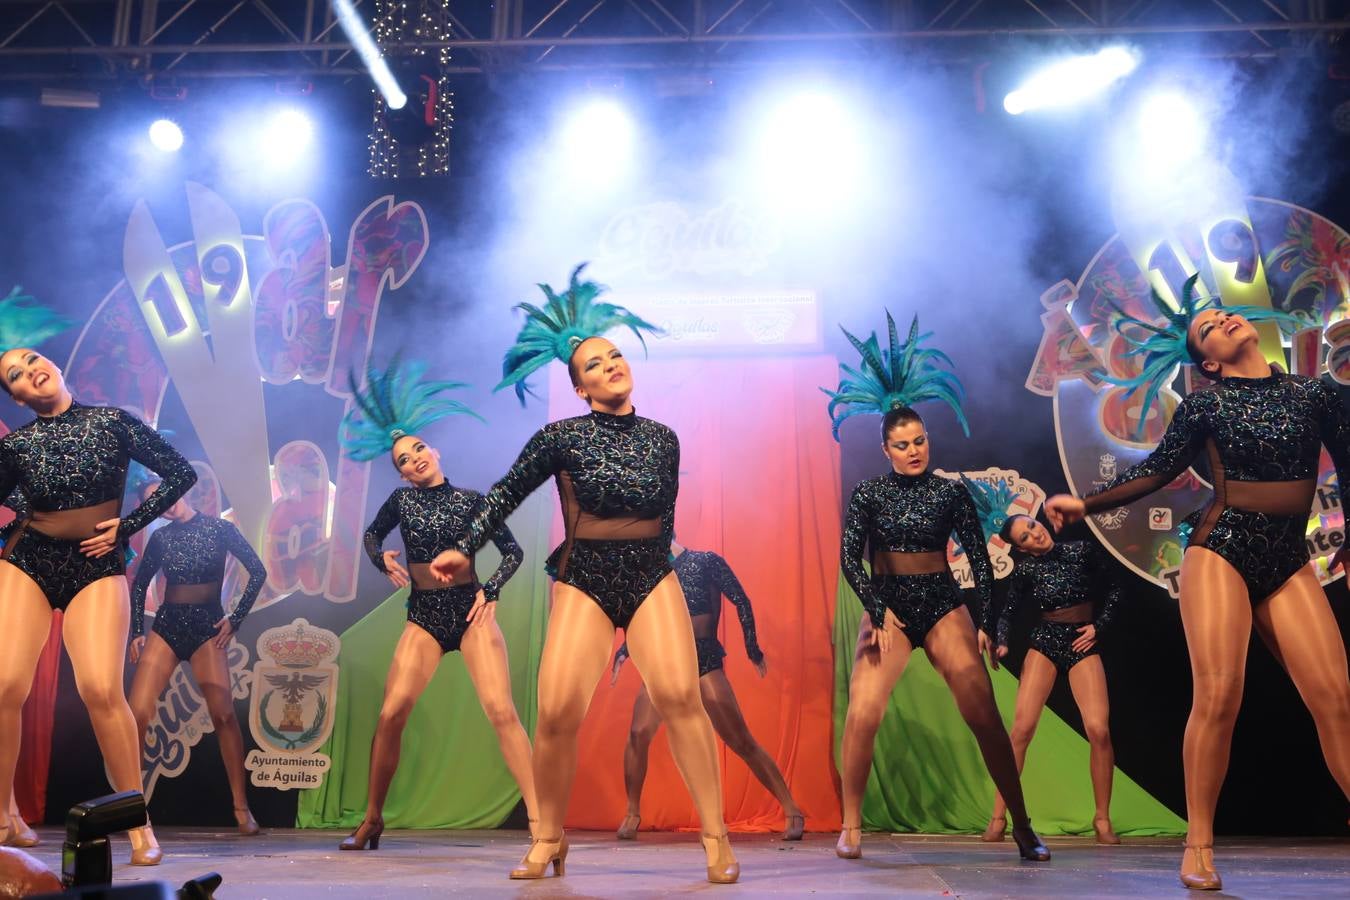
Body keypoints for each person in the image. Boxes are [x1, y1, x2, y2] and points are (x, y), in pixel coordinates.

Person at [430, 265, 739, 883]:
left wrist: (666, 575)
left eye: (616, 355)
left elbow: (663, 516)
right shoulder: (560, 436)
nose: (611, 366)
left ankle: (715, 837)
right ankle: (549, 837)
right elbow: (505, 493)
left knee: (682, 698)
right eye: (595, 364)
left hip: (652, 576)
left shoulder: (664, 438)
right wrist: (466, 546)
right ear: (580, 388)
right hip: (585, 578)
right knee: (556, 712)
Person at [1043, 275, 1350, 890]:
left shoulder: (1315, 395)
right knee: (1219, 694)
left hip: (1288, 559)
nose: (1224, 322)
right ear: (1207, 361)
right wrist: (1086, 504)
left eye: (1223, 315)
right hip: (1222, 549)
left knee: (1337, 703)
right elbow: (1157, 470)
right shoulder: (1207, 405)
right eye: (1208, 328)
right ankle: (1199, 843)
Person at [824, 312, 1049, 863]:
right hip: (890, 608)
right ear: (886, 449)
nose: (914, 450)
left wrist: (990, 626)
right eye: (902, 444)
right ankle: (851, 825)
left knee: (984, 714)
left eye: (920, 440)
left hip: (944, 604)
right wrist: (876, 609)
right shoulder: (869, 493)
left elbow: (978, 557)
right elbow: (849, 557)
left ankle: (1022, 824)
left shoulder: (950, 494)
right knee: (863, 712)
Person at [0, 288, 197, 865]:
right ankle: (6, 815)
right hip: (29, 561)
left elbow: (180, 473)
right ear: (13, 397)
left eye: (32, 360)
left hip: (96, 565)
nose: (28, 371)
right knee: (7, 686)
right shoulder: (19, 445)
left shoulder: (111, 422)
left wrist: (126, 525)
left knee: (100, 690)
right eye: (14, 374)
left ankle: (138, 825)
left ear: (54, 366)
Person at [337, 358, 537, 851]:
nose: (414, 459)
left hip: (468, 611)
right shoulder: (402, 504)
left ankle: (541, 820)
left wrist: (490, 591)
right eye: (404, 459)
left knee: (501, 711)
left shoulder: (473, 501)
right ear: (402, 474)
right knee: (391, 715)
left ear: (435, 450)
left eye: (418, 448)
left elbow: (513, 552)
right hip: (424, 616)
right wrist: (380, 557)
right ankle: (373, 819)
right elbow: (369, 534)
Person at [610, 542, 805, 841]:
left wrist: (752, 648)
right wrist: (625, 650)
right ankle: (632, 812)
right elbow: (641, 618)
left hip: (703, 657)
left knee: (740, 739)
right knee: (638, 734)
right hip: (664, 661)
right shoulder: (651, 572)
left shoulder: (705, 561)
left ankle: (791, 808)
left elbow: (741, 599)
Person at [126, 475, 267, 836]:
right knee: (136, 713)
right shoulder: (160, 538)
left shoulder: (220, 529)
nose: (165, 503)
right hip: (168, 626)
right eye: (153, 501)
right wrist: (138, 632)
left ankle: (241, 807)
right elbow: (140, 583)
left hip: (207, 627)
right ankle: (133, 809)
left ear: (181, 490)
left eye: (165, 495)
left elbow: (258, 571)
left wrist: (234, 620)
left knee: (223, 715)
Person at [982, 514, 1121, 844]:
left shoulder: (1082, 551)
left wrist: (1099, 626)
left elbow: (1116, 588)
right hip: (1045, 642)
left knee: (1099, 729)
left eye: (1031, 525)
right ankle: (1000, 817)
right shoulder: (1027, 570)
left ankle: (1102, 819)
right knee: (1021, 730)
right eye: (1025, 537)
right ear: (1021, 549)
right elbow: (1008, 611)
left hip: (1080, 642)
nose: (1034, 534)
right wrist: (1001, 640)